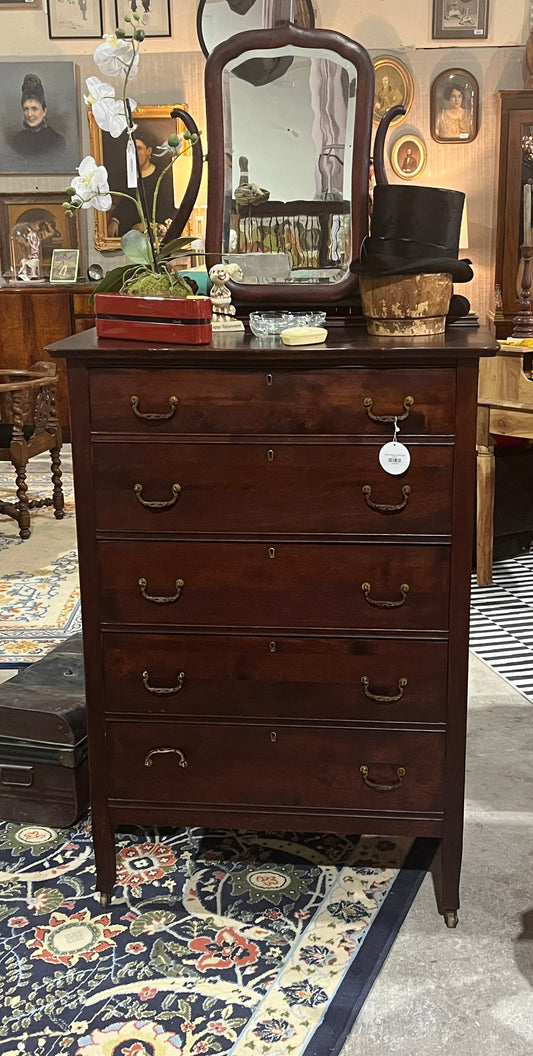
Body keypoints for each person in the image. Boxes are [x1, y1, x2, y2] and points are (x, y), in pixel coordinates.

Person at [107, 130, 176, 238]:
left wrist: (147, 226)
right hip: (130, 234)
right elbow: (125, 204)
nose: (135, 153)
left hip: (155, 234)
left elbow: (167, 209)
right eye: (132, 149)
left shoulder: (162, 176)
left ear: (148, 151)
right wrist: (115, 220)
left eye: (139, 148)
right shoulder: (128, 177)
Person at [12, 74, 67, 158]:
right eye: (26, 109)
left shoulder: (57, 141)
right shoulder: (17, 140)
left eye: (34, 109)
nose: (29, 114)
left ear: (44, 111)